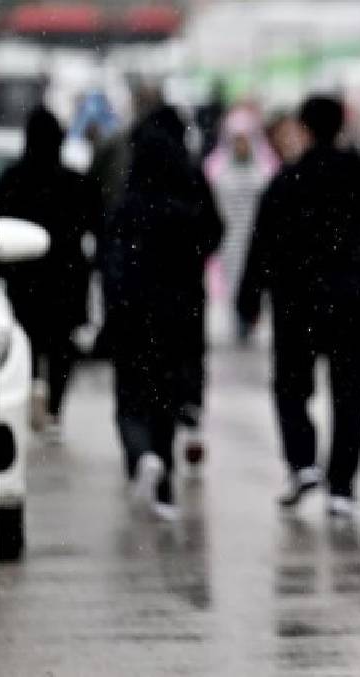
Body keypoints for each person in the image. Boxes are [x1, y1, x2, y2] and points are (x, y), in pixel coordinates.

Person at [237, 95, 360, 517]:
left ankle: (303, 461)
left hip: (299, 300)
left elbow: (263, 243)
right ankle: (341, 486)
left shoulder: (287, 180)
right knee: (351, 395)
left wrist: (249, 297)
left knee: (291, 386)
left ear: (303, 128)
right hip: (355, 299)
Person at [101, 110, 221, 519]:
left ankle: (141, 457)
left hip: (132, 315)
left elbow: (110, 263)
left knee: (131, 395)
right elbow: (212, 235)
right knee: (164, 397)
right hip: (179, 316)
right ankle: (165, 481)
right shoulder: (186, 204)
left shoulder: (126, 207)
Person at [0, 106, 102, 440]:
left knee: (26, 340)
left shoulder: (13, 179)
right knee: (61, 346)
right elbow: (96, 225)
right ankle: (54, 406)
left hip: (23, 274)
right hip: (65, 277)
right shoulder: (75, 182)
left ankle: (31, 392)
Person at [204, 105, 278, 342]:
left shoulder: (266, 169)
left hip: (256, 237)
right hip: (230, 238)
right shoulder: (215, 169)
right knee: (232, 281)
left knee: (254, 280)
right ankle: (239, 318)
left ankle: (250, 317)